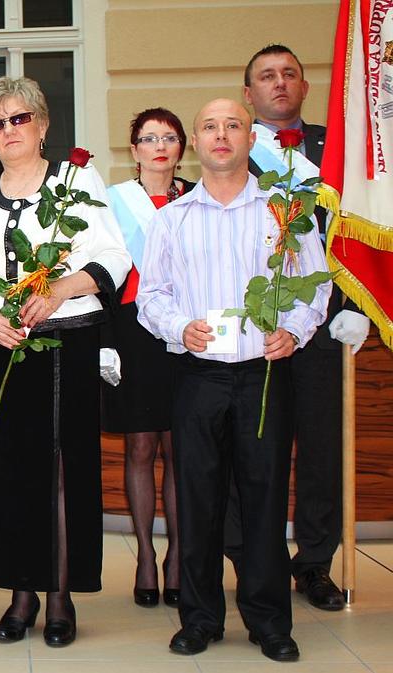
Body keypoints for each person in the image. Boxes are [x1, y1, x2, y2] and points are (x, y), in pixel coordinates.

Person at [137, 98, 331, 662]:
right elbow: (152, 295)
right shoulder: (173, 218)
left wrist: (292, 329)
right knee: (196, 502)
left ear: (251, 138)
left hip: (264, 377)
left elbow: (314, 285)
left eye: (233, 125)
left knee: (266, 498)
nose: (221, 135)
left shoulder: (283, 212)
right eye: (209, 127)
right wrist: (180, 327)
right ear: (194, 143)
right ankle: (199, 619)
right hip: (198, 377)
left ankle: (269, 621)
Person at [0, 76, 129, 647]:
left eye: (19, 119)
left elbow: (113, 256)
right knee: (8, 474)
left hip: (65, 344)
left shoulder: (77, 181)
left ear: (44, 125)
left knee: (60, 472)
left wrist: (62, 289)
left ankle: (59, 596)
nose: (9, 131)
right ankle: (19, 591)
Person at [224, 43, 370, 612]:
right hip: (251, 317)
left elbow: (355, 233)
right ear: (248, 93)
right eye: (266, 75)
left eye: (290, 74)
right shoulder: (231, 144)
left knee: (320, 443)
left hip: (324, 318)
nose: (279, 83)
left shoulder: (337, 153)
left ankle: (314, 562)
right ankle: (251, 559)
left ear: (305, 88)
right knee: (248, 442)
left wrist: (355, 303)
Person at [103, 108, 193, 609]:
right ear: (133, 148)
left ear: (182, 148)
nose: (160, 146)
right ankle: (143, 555)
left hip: (184, 330)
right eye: (149, 138)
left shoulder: (198, 199)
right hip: (131, 330)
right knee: (140, 448)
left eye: (170, 137)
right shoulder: (114, 203)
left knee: (179, 449)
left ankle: (178, 555)